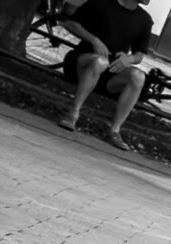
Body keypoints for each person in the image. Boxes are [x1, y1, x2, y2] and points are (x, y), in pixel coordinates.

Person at [58, 0, 155, 149]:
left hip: (110, 72)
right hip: (82, 63)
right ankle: (73, 113)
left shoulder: (144, 19)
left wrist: (128, 59)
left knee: (138, 76)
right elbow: (71, 24)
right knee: (100, 62)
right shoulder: (102, 3)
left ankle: (115, 130)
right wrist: (94, 40)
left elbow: (139, 55)